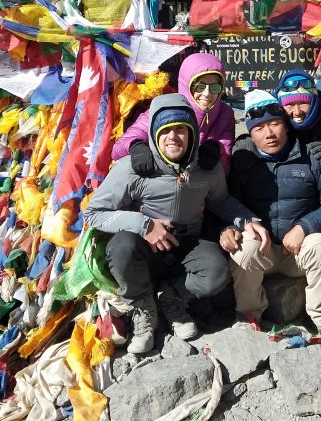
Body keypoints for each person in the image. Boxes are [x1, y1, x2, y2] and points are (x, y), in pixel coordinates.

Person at [84, 93, 269, 354]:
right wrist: (144, 224)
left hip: (187, 243)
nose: (173, 137)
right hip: (144, 248)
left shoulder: (207, 167)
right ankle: (143, 307)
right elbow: (93, 213)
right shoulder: (132, 168)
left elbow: (221, 201)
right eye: (165, 130)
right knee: (121, 247)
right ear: (154, 134)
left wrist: (247, 220)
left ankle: (171, 297)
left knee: (216, 273)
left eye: (180, 129)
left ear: (192, 132)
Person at [221, 89, 321, 346]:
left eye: (275, 124)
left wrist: (306, 226)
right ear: (250, 133)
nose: (269, 134)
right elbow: (227, 203)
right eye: (259, 128)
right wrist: (228, 228)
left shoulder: (312, 155)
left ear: (287, 126)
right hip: (264, 252)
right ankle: (249, 315)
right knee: (243, 247)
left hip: (299, 252)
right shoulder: (243, 160)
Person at [112, 52, 235, 175]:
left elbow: (225, 167)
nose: (207, 93)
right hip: (163, 181)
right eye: (200, 86)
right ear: (186, 84)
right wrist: (136, 147)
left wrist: (218, 150)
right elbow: (118, 148)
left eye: (215, 88)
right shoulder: (164, 109)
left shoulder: (225, 113)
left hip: (201, 187)